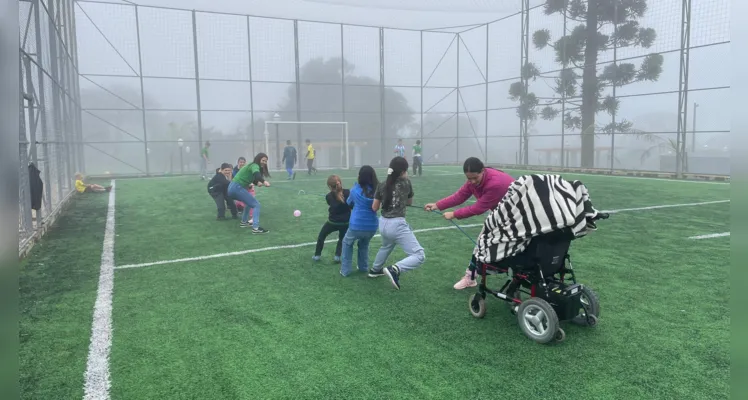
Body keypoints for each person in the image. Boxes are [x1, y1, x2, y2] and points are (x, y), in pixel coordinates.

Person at [424, 157, 515, 289]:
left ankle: (471, 277)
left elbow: (478, 208)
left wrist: (454, 214)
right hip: (501, 213)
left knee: (482, 242)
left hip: (517, 215)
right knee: (485, 243)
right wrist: (437, 205)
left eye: (475, 178)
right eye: (469, 179)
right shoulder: (474, 180)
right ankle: (471, 276)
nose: (472, 182)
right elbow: (460, 196)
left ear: (483, 171)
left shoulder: (495, 184)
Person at [369, 157, 424, 290]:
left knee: (387, 245)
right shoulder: (406, 183)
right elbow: (409, 202)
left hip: (382, 224)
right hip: (397, 224)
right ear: (403, 171)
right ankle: (395, 269)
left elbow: (374, 207)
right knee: (419, 255)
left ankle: (375, 270)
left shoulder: (381, 184)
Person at [340, 165, 379, 277]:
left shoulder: (354, 190)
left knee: (347, 244)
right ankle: (363, 267)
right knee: (364, 244)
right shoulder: (377, 191)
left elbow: (348, 203)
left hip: (356, 225)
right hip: (372, 226)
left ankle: (345, 270)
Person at [228, 153, 271, 234]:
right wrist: (264, 181)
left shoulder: (251, 166)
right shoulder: (255, 165)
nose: (264, 162)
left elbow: (252, 177)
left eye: (266, 161)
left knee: (249, 203)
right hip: (237, 187)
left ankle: (244, 222)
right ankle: (256, 228)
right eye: (263, 160)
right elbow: (257, 175)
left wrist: (257, 183)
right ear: (258, 159)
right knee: (256, 204)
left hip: (232, 188)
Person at [313, 175, 350, 263]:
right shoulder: (348, 192)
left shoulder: (328, 196)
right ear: (340, 183)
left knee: (321, 236)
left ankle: (317, 256)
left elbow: (331, 203)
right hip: (345, 222)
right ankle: (337, 256)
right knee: (342, 239)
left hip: (333, 222)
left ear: (330, 186)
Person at [232, 156, 255, 222]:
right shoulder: (235, 170)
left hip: (249, 187)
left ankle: (252, 215)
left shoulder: (247, 168)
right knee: (241, 201)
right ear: (238, 162)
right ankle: (238, 207)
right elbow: (235, 180)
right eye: (240, 162)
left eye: (243, 162)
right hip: (239, 187)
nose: (242, 163)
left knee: (250, 200)